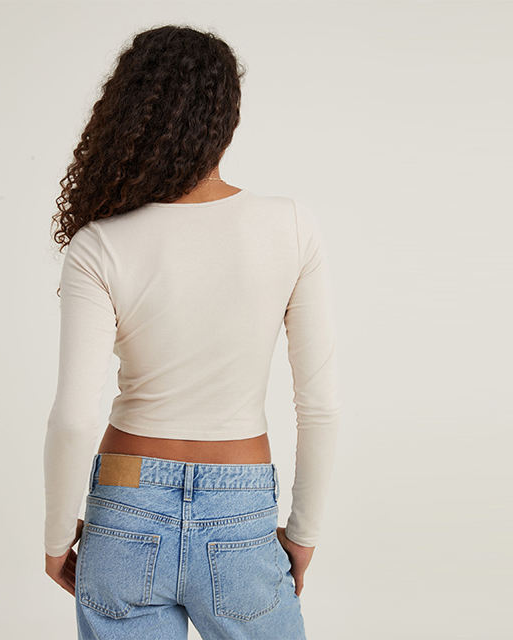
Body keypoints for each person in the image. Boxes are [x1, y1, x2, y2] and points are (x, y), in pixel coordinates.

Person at [43, 25, 341, 640]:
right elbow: (320, 407)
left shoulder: (99, 243)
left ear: (126, 116)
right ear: (227, 121)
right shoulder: (290, 226)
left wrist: (55, 538)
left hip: (124, 504)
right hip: (241, 507)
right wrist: (303, 534)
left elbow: (73, 418)